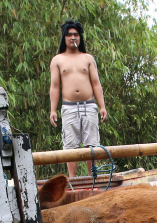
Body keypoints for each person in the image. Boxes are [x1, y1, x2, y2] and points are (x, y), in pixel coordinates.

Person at [49, 20, 108, 178]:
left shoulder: (87, 58)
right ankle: (73, 180)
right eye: (69, 35)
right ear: (64, 38)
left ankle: (92, 178)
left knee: (92, 145)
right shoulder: (58, 60)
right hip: (69, 107)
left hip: (88, 105)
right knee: (70, 145)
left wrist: (102, 106)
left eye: (76, 34)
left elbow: (96, 83)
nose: (73, 37)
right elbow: (55, 86)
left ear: (80, 37)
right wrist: (53, 110)